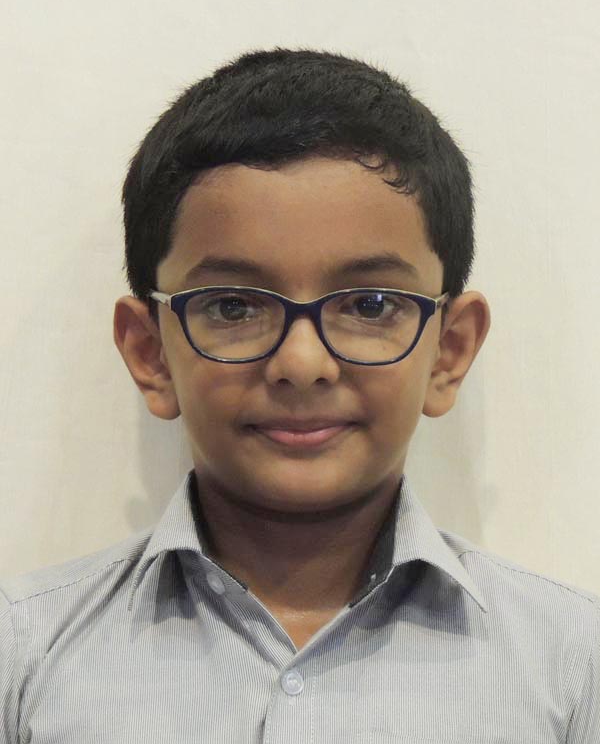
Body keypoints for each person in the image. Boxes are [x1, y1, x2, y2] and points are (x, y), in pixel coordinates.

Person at [0, 46, 598, 743]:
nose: (303, 363)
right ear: (150, 352)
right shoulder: (26, 656)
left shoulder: (570, 668)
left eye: (371, 305)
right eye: (232, 306)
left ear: (449, 351)